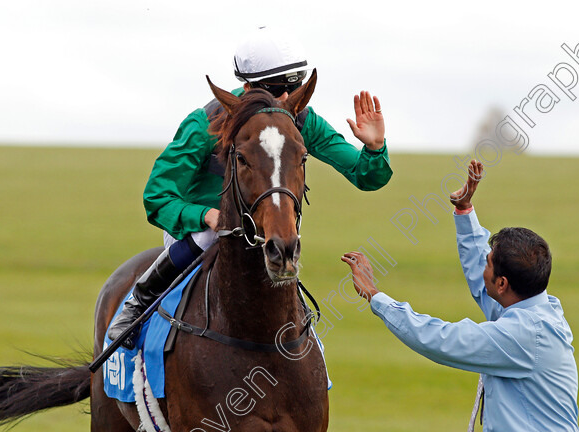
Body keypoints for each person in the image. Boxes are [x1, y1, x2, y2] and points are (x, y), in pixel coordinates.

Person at [108, 26, 393, 348]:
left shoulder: (300, 119)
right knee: (209, 235)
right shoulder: (205, 123)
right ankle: (137, 304)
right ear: (247, 85)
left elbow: (367, 177)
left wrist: (374, 147)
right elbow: (157, 197)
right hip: (201, 230)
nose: (287, 97)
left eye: (295, 85)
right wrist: (205, 215)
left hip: (270, 227)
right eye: (277, 87)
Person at [341, 160, 579, 432]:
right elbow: (480, 280)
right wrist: (465, 210)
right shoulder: (533, 308)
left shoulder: (525, 333)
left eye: (489, 262)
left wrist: (376, 296)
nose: (484, 263)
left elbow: (442, 339)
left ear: (503, 284)